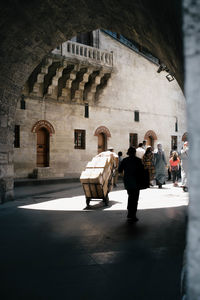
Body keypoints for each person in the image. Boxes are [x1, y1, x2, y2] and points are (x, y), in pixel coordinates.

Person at [118, 146, 147, 221]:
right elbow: (142, 171)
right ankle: (133, 214)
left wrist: (125, 175)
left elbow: (120, 170)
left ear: (128, 153)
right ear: (134, 153)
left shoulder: (124, 160)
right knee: (135, 198)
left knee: (130, 196)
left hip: (128, 182)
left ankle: (129, 213)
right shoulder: (138, 160)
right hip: (137, 182)